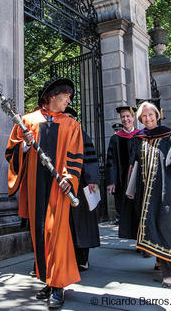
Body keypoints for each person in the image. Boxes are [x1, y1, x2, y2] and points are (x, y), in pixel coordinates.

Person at [5, 77, 83, 309]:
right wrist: (26, 144)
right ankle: (49, 281)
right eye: (66, 96)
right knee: (40, 234)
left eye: (70, 97)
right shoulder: (27, 121)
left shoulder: (71, 125)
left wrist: (70, 178)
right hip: (35, 188)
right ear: (52, 96)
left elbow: (75, 155)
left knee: (56, 233)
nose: (69, 100)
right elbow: (11, 153)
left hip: (59, 188)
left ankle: (58, 286)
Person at [126, 101, 171, 288]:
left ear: (157, 116)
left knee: (165, 226)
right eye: (144, 116)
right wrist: (130, 188)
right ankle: (159, 260)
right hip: (146, 192)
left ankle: (168, 272)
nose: (148, 119)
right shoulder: (139, 138)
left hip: (167, 190)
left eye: (151, 115)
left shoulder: (169, 136)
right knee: (150, 225)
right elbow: (133, 165)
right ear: (140, 118)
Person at [64, 107, 100, 271]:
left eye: (70, 117)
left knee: (82, 224)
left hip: (81, 186)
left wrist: (92, 179)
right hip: (64, 187)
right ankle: (70, 257)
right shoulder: (59, 136)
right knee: (68, 225)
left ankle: (83, 259)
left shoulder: (81, 135)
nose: (67, 119)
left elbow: (91, 158)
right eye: (64, 116)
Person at [106, 105, 138, 224]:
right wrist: (111, 181)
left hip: (136, 174)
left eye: (128, 116)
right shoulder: (115, 138)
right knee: (120, 198)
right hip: (120, 176)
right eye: (123, 117)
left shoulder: (140, 136)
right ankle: (121, 219)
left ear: (133, 117)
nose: (125, 119)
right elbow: (110, 161)